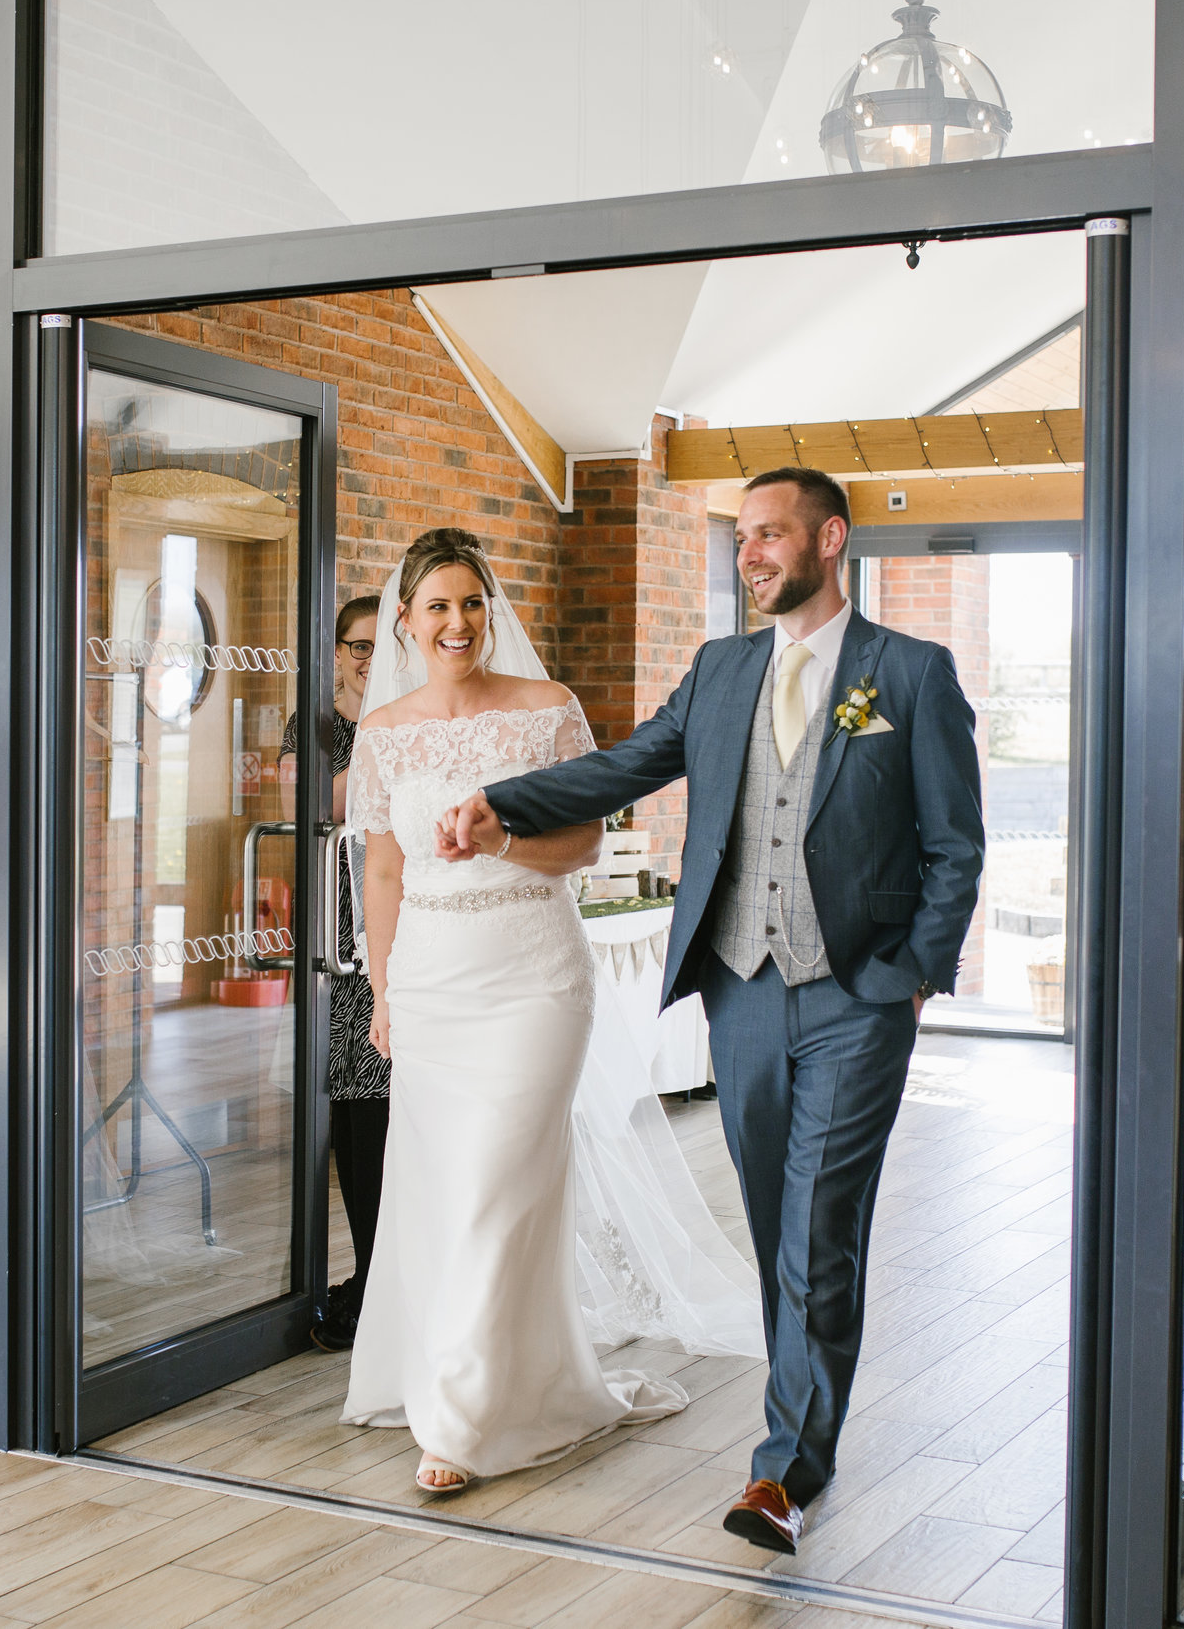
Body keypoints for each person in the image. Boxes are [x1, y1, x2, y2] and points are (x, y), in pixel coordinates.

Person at [438, 466, 985, 1554]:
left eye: (772, 533)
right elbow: (629, 765)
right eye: (742, 536)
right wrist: (503, 802)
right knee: (780, 1227)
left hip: (854, 996)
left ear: (830, 540)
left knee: (820, 1224)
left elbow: (952, 843)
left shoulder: (909, 672)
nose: (750, 552)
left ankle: (781, 1471)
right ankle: (803, 1427)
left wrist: (910, 970)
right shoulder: (720, 668)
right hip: (738, 994)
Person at [339, 528, 715, 1496]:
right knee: (439, 1184)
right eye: (437, 606)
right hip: (429, 979)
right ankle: (481, 1374)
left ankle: (462, 1420)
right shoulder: (382, 730)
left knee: (499, 1183)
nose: (457, 621)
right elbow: (381, 869)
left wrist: (499, 840)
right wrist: (382, 992)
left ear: (489, 611)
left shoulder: (547, 708)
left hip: (532, 976)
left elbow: (583, 847)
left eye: (472, 602)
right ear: (406, 621)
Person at [278, 595, 388, 1352]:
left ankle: (384, 1280)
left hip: (402, 932)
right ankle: (370, 1275)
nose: (367, 657)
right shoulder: (315, 725)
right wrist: (383, 745)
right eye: (355, 644)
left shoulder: (418, 711)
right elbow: (306, 799)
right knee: (350, 1117)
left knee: (393, 1117)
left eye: (382, 643)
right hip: (336, 941)